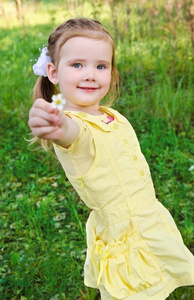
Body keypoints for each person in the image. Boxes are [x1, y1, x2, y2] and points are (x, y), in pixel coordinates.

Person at [28, 18, 194, 300]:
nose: (91, 74)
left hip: (149, 220)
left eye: (101, 66)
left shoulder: (110, 114)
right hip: (124, 239)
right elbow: (69, 132)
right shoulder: (73, 125)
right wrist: (53, 126)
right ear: (53, 72)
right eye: (77, 65)